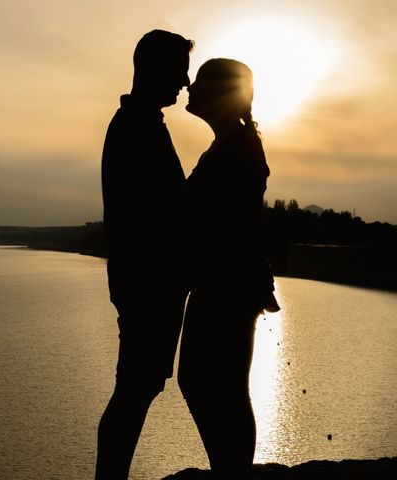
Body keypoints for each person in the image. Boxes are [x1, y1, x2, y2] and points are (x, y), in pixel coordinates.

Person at [96, 29, 194, 480]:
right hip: (146, 285)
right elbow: (156, 212)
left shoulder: (142, 122)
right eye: (179, 69)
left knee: (139, 386)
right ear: (154, 69)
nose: (186, 80)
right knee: (134, 389)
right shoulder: (136, 127)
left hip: (147, 283)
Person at [177, 58, 280, 479]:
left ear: (222, 96)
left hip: (229, 285)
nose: (189, 87)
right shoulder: (230, 144)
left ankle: (231, 472)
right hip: (227, 282)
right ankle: (230, 470)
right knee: (211, 385)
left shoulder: (236, 148)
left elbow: (226, 224)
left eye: (200, 82)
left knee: (216, 387)